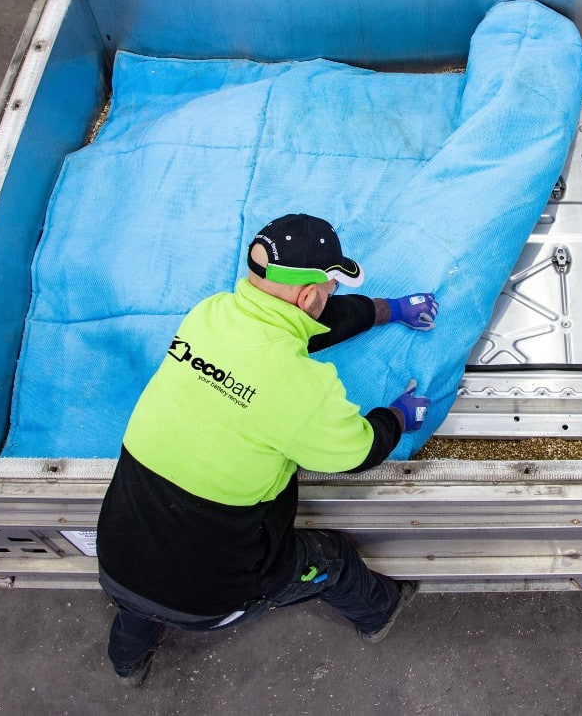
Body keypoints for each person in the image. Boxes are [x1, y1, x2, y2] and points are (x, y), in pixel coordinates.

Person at [95, 213, 439, 686]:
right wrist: (399, 416)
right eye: (331, 288)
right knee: (331, 560)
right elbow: (358, 449)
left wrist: (389, 309)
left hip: (116, 557)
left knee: (141, 602)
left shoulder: (210, 314)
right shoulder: (302, 391)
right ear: (310, 295)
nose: (331, 297)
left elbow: (308, 324)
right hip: (209, 594)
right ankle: (382, 611)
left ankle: (126, 665)